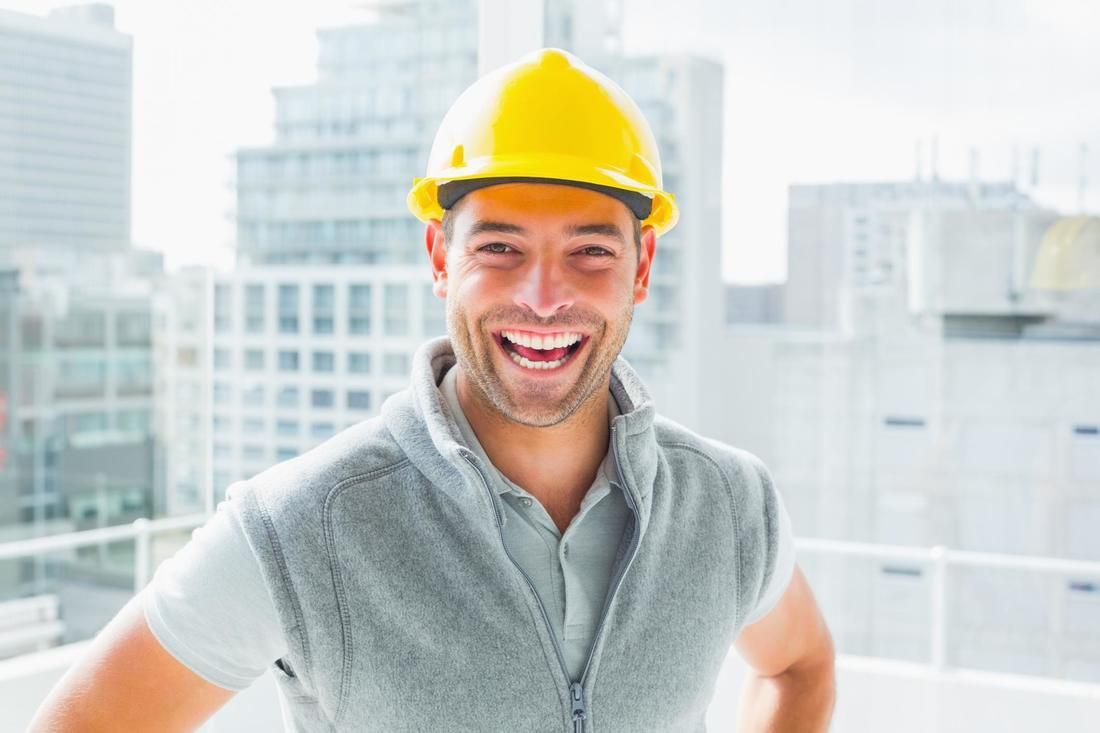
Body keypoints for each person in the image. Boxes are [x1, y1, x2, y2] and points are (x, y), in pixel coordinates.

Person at [29, 47, 835, 732]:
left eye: (590, 251)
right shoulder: (304, 528)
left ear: (644, 266)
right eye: (501, 248)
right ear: (441, 258)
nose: (546, 296)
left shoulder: (728, 506)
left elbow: (799, 662)